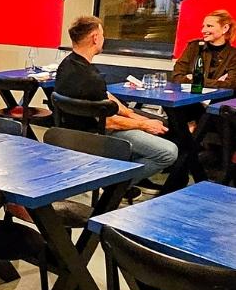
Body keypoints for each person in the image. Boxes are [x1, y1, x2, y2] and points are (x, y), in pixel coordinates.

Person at [54, 16, 178, 181]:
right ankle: (115, 186)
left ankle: (120, 176)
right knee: (168, 152)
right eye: (103, 35)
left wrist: (130, 114)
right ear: (95, 38)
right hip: (95, 135)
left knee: (163, 123)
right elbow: (108, 122)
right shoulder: (91, 78)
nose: (104, 39)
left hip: (71, 130)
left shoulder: (66, 65)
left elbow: (105, 96)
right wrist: (144, 124)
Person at [171, 9, 236, 89]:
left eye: (209, 26)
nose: (203, 30)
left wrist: (194, 79)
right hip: (191, 96)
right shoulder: (194, 47)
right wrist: (217, 82)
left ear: (225, 28)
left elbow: (231, 84)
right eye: (203, 26)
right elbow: (176, 77)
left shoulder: (233, 55)